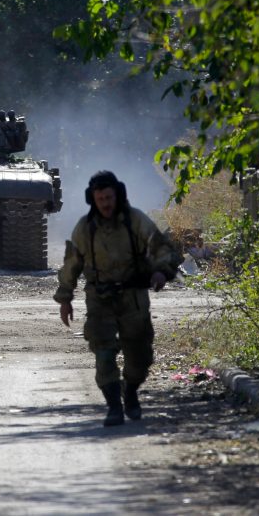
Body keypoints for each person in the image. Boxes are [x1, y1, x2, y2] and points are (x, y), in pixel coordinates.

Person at [53, 171, 183, 427]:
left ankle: (130, 390)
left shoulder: (135, 220)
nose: (105, 204)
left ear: (118, 195)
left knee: (140, 356)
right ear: (92, 199)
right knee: (103, 352)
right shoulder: (85, 228)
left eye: (109, 198)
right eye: (100, 199)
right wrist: (65, 298)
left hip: (133, 296)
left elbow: (161, 247)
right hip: (99, 298)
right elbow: (71, 264)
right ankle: (113, 405)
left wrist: (161, 271)